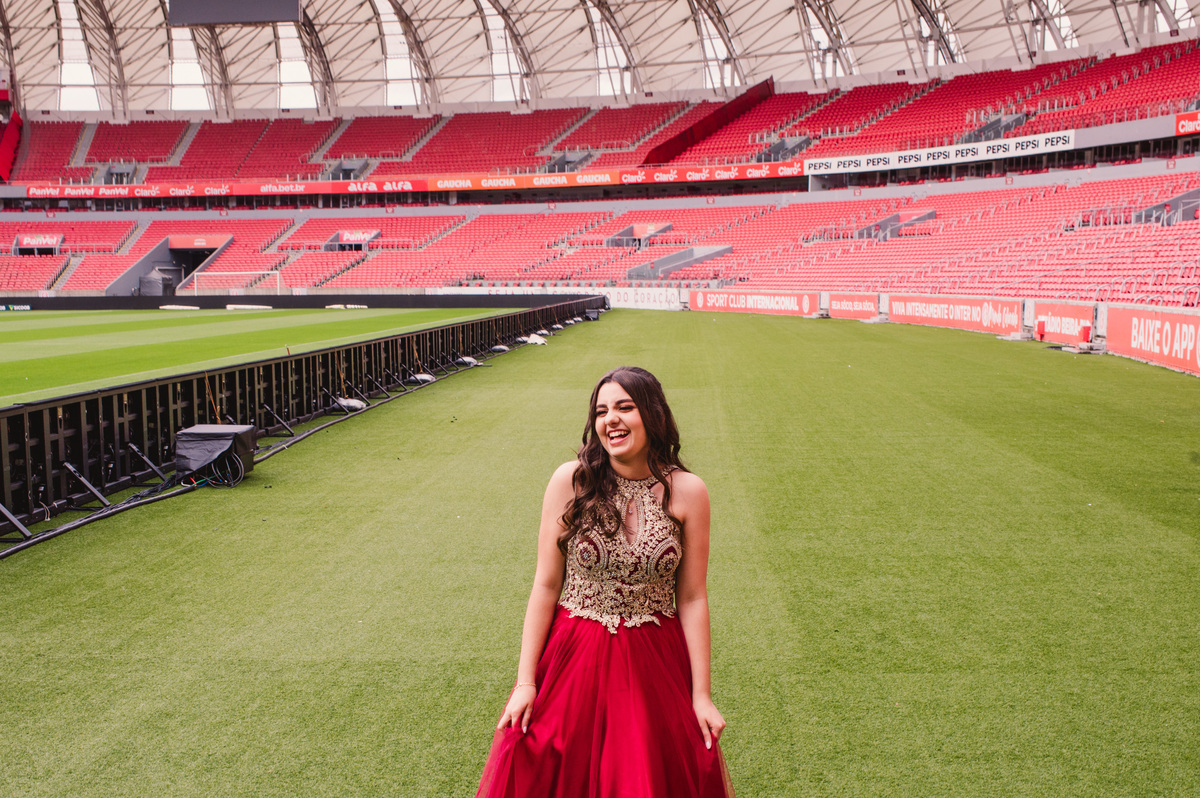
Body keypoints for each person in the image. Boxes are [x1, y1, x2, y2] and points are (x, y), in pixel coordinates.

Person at [476, 366, 734, 798]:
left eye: (624, 407)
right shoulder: (571, 481)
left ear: (652, 414)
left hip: (654, 661)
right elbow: (545, 585)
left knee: (644, 776)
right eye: (601, 411)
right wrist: (526, 683)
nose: (610, 419)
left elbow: (691, 597)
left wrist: (702, 694)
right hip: (574, 655)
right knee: (552, 767)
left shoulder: (689, 491)